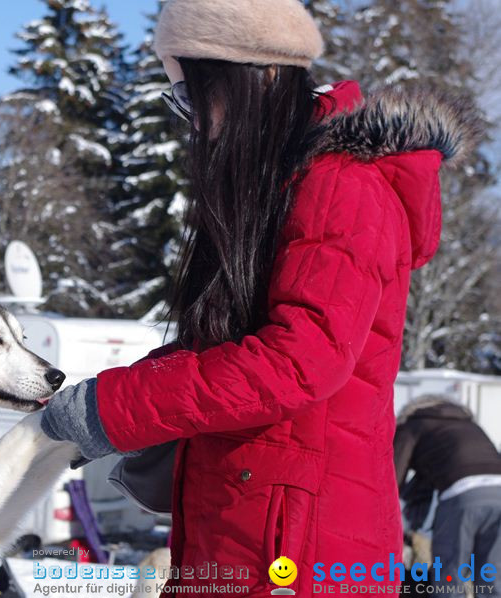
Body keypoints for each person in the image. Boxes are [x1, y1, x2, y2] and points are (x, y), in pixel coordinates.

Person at [40, 0, 480, 594]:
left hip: (299, 550)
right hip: (251, 529)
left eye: (197, 96)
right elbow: (224, 350)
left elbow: (297, 361)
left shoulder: (340, 187)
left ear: (261, 76)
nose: (195, 124)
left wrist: (118, 410)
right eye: (181, 103)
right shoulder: (283, 189)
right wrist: (110, 407)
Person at [394, 394, 501, 596]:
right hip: (499, 491)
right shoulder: (469, 426)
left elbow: (391, 476)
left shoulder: (414, 424)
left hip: (462, 495)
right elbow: (422, 488)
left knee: (450, 576)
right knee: (492, 577)